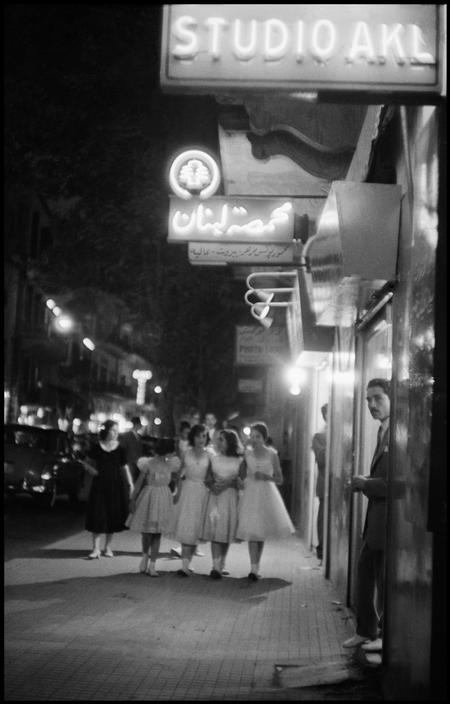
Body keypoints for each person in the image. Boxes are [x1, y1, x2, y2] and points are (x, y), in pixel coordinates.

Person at [342, 378, 390, 663]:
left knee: (382, 579)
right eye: (368, 400)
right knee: (365, 572)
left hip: (387, 523)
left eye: (377, 399)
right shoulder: (381, 431)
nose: (372, 405)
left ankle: (381, 634)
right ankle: (367, 629)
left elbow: (397, 483)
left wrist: (365, 483)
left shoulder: (396, 432)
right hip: (376, 521)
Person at [236, 422, 295, 580]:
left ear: (264, 438)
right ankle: (253, 569)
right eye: (252, 436)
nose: (254, 439)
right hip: (250, 493)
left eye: (258, 436)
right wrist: (241, 481)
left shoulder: (272, 454)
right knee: (252, 531)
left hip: (266, 494)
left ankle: (256, 567)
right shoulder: (247, 454)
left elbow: (280, 479)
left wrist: (266, 477)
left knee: (259, 532)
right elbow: (240, 473)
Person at [126, 437, 181, 577]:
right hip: (149, 497)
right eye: (171, 451)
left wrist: (177, 492)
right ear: (166, 451)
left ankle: (152, 565)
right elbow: (139, 483)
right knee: (147, 532)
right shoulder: (148, 464)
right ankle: (145, 556)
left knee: (157, 533)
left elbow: (178, 478)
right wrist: (133, 500)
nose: (173, 454)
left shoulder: (171, 464)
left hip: (163, 497)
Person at [82, 420, 133, 559]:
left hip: (116, 485)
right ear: (106, 431)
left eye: (117, 431)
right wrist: (91, 469)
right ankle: (95, 548)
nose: (116, 433)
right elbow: (85, 461)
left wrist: (131, 484)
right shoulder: (97, 447)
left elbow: (125, 467)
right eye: (113, 430)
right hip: (100, 485)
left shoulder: (120, 449)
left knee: (112, 515)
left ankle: (108, 547)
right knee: (98, 514)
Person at [201, 429, 244, 579]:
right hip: (216, 497)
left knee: (226, 532)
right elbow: (207, 479)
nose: (219, 442)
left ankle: (222, 563)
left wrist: (232, 482)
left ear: (230, 442)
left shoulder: (239, 460)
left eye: (222, 440)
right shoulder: (213, 458)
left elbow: (242, 482)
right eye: (218, 439)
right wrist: (213, 487)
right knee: (215, 531)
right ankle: (215, 566)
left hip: (231, 497)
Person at [171, 424, 211, 576]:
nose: (201, 439)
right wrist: (177, 492)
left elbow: (211, 477)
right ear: (192, 437)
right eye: (198, 435)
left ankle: (189, 562)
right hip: (187, 490)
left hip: (202, 492)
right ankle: (184, 565)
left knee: (196, 528)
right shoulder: (185, 453)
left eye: (204, 436)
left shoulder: (210, 455)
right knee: (185, 525)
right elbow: (179, 475)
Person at [311, 403, 328, 562]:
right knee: (323, 517)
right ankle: (321, 549)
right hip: (325, 485)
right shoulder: (319, 437)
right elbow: (322, 459)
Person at [120, 416, 143, 483]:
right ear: (136, 425)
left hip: (138, 463)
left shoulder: (139, 436)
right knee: (130, 481)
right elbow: (122, 449)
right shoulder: (127, 436)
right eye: (140, 424)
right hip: (130, 463)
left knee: (136, 481)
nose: (141, 426)